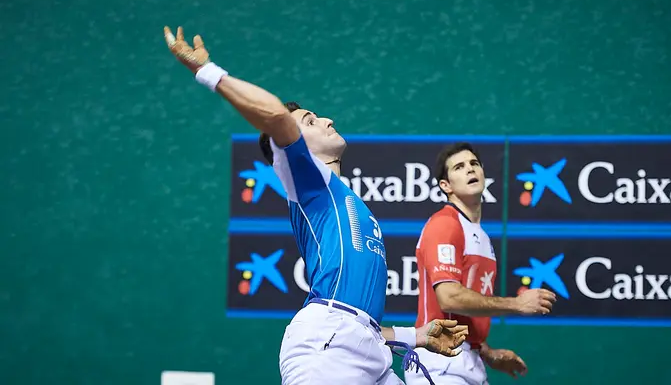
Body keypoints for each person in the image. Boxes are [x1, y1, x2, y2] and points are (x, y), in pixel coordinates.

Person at [163, 26, 469, 385]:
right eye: (310, 121)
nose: (327, 120)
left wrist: (416, 336)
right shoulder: (308, 179)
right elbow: (276, 117)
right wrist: (207, 71)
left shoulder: (349, 200)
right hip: (324, 347)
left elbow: (358, 320)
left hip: (363, 346)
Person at [405, 142, 558, 385]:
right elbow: (449, 297)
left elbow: (462, 316)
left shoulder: (481, 237)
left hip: (468, 361)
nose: (470, 169)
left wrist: (486, 352)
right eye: (459, 167)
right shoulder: (444, 224)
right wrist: (517, 304)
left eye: (474, 164)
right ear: (446, 186)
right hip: (440, 362)